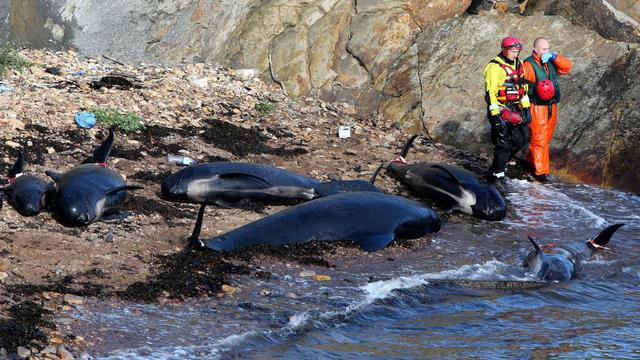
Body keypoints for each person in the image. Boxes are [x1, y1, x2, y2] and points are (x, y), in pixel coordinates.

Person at [522, 37, 573, 183]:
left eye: (548, 48)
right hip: (537, 107)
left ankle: (531, 163)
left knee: (546, 137)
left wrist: (554, 57)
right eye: (544, 49)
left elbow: (567, 67)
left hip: (551, 106)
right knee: (540, 139)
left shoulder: (550, 63)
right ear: (535, 50)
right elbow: (522, 86)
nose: (547, 51)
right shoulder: (528, 64)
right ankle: (541, 173)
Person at [483, 36, 532, 183]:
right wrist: (495, 115)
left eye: (517, 51)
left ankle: (500, 165)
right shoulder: (494, 67)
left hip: (515, 108)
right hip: (499, 108)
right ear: (504, 50)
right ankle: (496, 175)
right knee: (503, 143)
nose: (515, 54)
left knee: (520, 140)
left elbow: (522, 89)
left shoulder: (520, 64)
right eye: (512, 51)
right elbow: (490, 93)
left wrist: (527, 109)